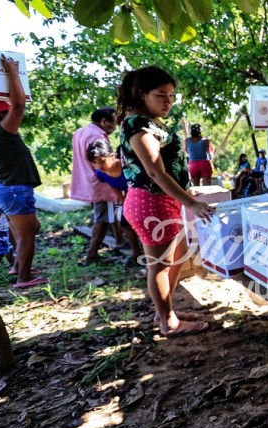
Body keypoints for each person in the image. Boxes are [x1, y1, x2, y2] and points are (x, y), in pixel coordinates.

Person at [117, 65, 213, 338]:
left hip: (163, 201)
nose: (168, 101)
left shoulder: (148, 120)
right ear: (141, 94)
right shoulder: (138, 123)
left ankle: (166, 310)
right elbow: (155, 170)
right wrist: (191, 203)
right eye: (161, 95)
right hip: (152, 202)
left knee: (175, 258)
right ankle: (168, 322)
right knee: (159, 265)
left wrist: (185, 196)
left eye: (171, 95)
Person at [0, 55, 46, 288]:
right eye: (7, 112)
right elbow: (19, 105)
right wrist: (12, 72)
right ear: (2, 115)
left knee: (27, 228)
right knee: (27, 235)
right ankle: (23, 277)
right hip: (12, 190)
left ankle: (18, 265)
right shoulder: (3, 132)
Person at [71, 107, 123, 266]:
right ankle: (92, 254)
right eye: (113, 123)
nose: (114, 128)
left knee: (109, 212)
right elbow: (103, 162)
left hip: (87, 179)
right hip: (99, 182)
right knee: (102, 218)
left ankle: (120, 240)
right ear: (104, 121)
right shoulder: (97, 135)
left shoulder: (81, 131)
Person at [85, 138, 143, 265]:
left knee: (142, 223)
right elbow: (112, 185)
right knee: (125, 224)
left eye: (102, 161)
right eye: (95, 162)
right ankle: (136, 252)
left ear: (112, 156)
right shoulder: (101, 173)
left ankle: (150, 253)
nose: (99, 166)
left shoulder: (127, 166)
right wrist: (123, 201)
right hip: (129, 196)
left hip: (142, 194)